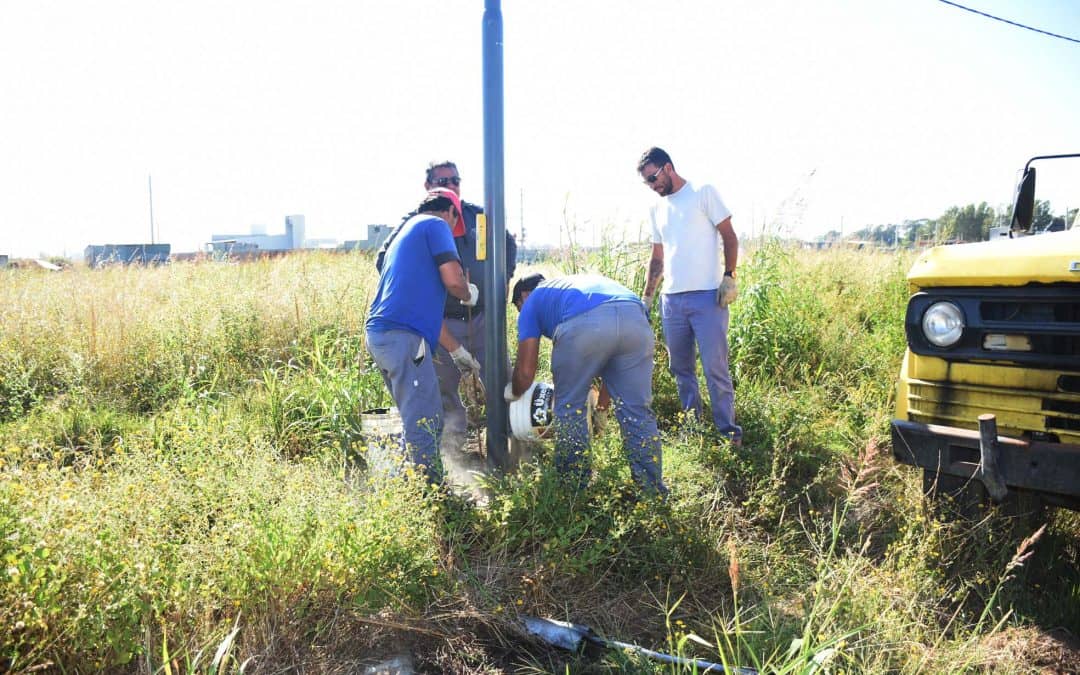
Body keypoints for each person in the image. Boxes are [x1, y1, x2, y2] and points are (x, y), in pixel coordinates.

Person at [379, 161, 518, 452]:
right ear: (428, 186)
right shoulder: (418, 221)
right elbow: (385, 259)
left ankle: (505, 447)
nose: (451, 184)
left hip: (483, 318)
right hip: (440, 324)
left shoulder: (478, 218)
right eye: (443, 180)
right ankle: (453, 453)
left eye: (455, 179)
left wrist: (500, 285)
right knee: (442, 391)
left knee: (501, 382)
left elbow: (507, 245)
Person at [505, 273, 667, 496]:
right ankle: (653, 493)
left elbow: (525, 372)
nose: (521, 314)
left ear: (523, 296)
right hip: (635, 319)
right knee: (637, 411)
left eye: (518, 308)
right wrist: (601, 408)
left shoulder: (532, 300)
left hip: (586, 324)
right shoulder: (572, 285)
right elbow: (615, 371)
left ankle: (573, 491)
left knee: (569, 408)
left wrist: (513, 392)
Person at [365, 189, 479, 483]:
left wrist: (459, 354)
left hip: (384, 336)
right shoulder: (435, 224)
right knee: (425, 419)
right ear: (451, 212)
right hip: (403, 337)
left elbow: (427, 317)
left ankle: (401, 482)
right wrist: (467, 293)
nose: (452, 234)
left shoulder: (406, 235)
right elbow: (454, 280)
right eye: (455, 228)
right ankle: (431, 493)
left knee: (412, 415)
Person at [637, 146, 742, 445]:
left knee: (715, 368)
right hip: (672, 301)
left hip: (708, 298)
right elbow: (657, 257)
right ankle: (693, 429)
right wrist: (647, 298)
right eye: (647, 182)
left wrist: (729, 276)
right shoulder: (656, 208)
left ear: (668, 168)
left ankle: (728, 433)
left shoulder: (702, 192)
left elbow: (730, 236)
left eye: (654, 177)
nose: (653, 185)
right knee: (681, 369)